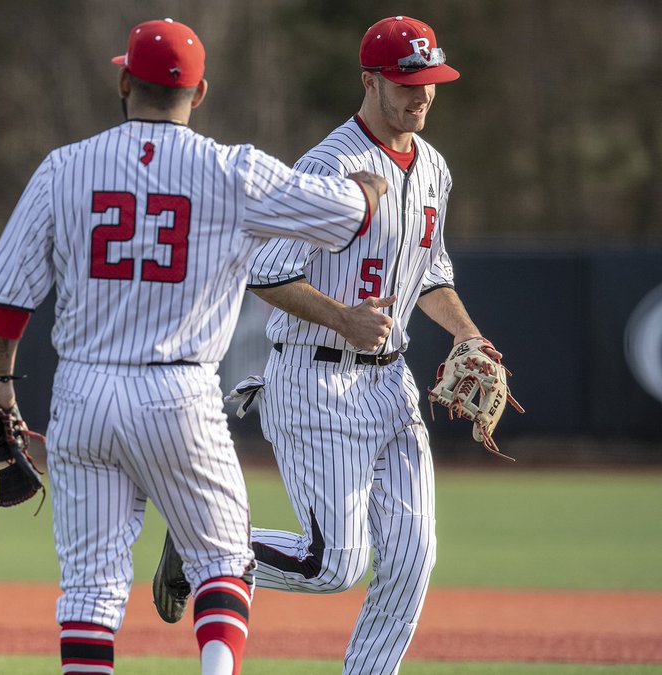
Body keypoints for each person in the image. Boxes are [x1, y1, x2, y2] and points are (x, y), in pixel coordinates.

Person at [0, 18, 387, 675]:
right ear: (202, 92)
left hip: (83, 392)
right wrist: (366, 192)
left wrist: (0, 377)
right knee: (222, 558)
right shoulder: (232, 169)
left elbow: (9, 295)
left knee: (90, 586)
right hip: (178, 391)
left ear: (124, 81)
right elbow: (346, 215)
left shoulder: (65, 167)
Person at [152, 15, 490, 675]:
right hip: (315, 379)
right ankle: (210, 546)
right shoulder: (333, 165)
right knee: (333, 564)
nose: (420, 94)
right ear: (369, 80)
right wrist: (343, 319)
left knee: (413, 557)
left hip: (390, 385)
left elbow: (434, 272)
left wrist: (468, 332)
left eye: (430, 81)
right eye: (405, 81)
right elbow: (267, 270)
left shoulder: (435, 169)